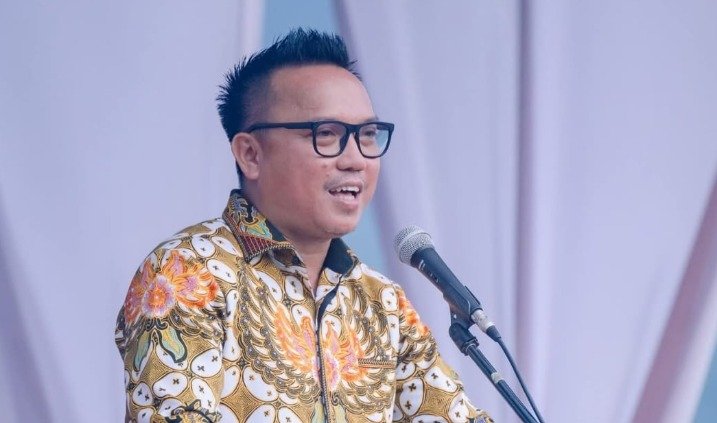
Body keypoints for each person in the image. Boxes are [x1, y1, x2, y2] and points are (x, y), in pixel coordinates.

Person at [115, 28, 493, 423]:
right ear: (250, 154)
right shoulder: (188, 272)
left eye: (366, 135)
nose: (356, 159)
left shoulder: (381, 302)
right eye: (326, 134)